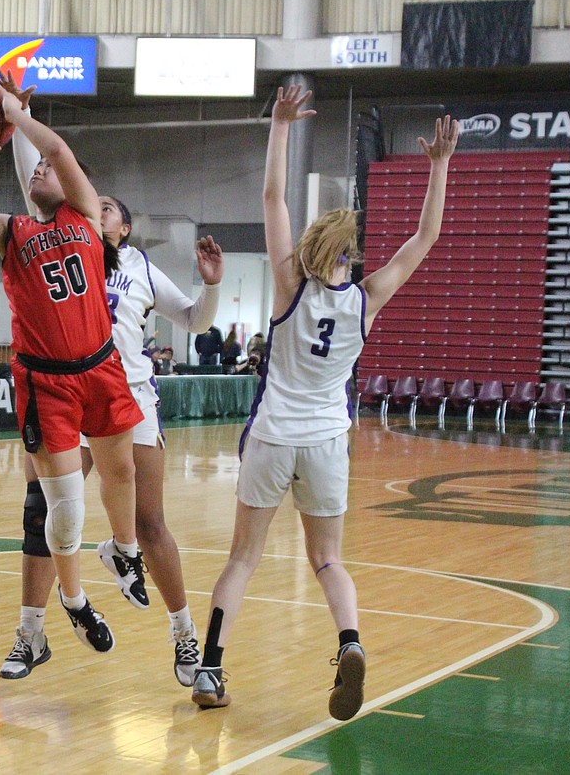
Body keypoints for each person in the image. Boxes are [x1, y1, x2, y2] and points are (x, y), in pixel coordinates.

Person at [191, 85, 459, 720]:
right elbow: (425, 237)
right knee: (329, 559)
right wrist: (440, 165)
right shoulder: (366, 299)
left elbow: (272, 197)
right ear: (350, 258)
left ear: (311, 251)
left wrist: (281, 126)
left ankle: (210, 671)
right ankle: (349, 643)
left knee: (242, 559)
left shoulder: (288, 287)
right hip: (326, 440)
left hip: (273, 436)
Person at [0, 71, 223, 684]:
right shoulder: (62, 237)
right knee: (43, 508)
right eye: (91, 203)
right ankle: (31, 631)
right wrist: (18, 112)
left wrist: (212, 284)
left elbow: (197, 321)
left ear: (117, 227)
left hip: (128, 391)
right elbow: (37, 171)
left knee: (150, 522)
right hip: (64, 387)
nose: (95, 209)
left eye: (106, 209)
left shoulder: (141, 269)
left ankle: (184, 636)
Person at [0, 75, 145, 656]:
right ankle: (72, 604)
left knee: (122, 476)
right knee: (65, 508)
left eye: (44, 170)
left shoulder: (83, 217)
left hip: (99, 367)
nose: (40, 172)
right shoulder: (11, 232)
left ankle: (123, 550)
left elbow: (58, 152)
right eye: (32, 174)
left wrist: (15, 112)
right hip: (45, 382)